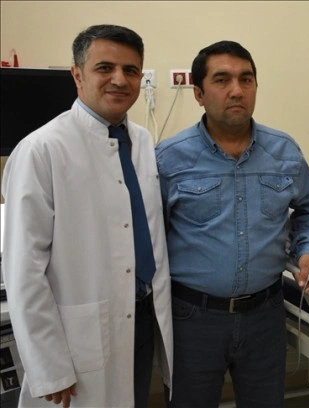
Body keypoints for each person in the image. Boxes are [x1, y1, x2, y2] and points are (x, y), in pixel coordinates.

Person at [1, 24, 173, 407]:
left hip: (142, 317)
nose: (119, 79)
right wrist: (49, 365)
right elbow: (23, 271)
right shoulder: (41, 150)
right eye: (104, 68)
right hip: (79, 335)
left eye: (131, 70)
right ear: (77, 75)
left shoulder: (142, 141)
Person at [155, 40, 309, 407]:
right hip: (193, 319)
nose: (237, 90)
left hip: (265, 315)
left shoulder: (284, 151)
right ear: (199, 93)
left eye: (246, 79)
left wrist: (307, 251)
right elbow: (151, 235)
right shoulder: (169, 159)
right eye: (222, 80)